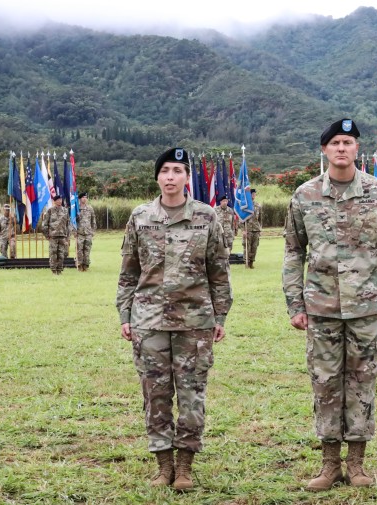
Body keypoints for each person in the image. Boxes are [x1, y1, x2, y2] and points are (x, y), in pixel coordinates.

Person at [282, 119, 377, 492]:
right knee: (325, 384)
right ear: (324, 150)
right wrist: (294, 303)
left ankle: (357, 463)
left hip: (367, 306)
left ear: (357, 149)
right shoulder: (304, 196)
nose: (341, 149)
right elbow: (293, 252)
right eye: (335, 142)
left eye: (348, 142)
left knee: (363, 381)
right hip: (320, 306)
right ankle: (329, 464)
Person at [116, 147, 233, 491]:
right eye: (165, 170)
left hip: (195, 322)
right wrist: (125, 314)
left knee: (192, 395)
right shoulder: (140, 216)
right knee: (155, 395)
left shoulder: (206, 216)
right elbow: (128, 271)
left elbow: (219, 271)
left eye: (177, 171)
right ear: (157, 176)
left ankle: (185, 466)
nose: (170, 177)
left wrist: (221, 314)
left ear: (187, 177)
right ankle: (162, 465)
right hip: (148, 321)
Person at [41, 195, 70, 274]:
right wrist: (47, 235)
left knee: (61, 254)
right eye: (58, 200)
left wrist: (68, 237)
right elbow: (44, 225)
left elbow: (68, 224)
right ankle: (54, 270)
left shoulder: (65, 211)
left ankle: (59, 270)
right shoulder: (50, 211)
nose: (60, 201)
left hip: (63, 236)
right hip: (53, 236)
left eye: (61, 199)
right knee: (53, 254)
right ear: (54, 201)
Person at [241, 188, 263, 268]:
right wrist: (243, 230)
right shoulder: (245, 206)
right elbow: (241, 219)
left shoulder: (258, 205)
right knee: (247, 246)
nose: (253, 195)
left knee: (254, 246)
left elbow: (260, 219)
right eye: (252, 194)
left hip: (256, 229)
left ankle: (251, 262)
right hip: (248, 229)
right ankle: (246, 262)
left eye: (254, 194)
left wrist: (260, 229)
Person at [76, 192, 97, 271]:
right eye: (83, 197)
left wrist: (93, 231)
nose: (85, 199)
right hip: (80, 233)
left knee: (87, 250)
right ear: (80, 199)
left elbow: (93, 220)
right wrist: (74, 232)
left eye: (86, 197)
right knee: (79, 250)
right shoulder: (77, 209)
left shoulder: (90, 208)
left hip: (88, 233)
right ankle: (80, 265)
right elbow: (73, 221)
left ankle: (86, 265)